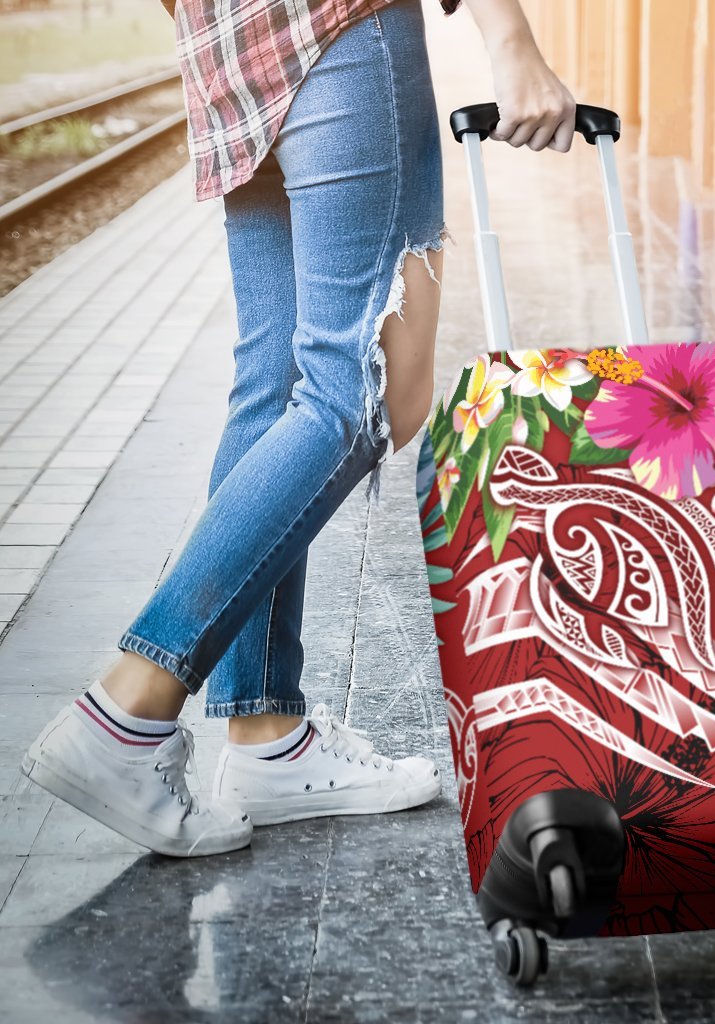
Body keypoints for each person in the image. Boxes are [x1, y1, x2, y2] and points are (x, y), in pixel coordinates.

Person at [21, 0, 576, 857]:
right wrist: (512, 43)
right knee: (359, 391)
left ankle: (265, 735)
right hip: (341, 28)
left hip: (228, 51)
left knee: (276, 384)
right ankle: (127, 711)